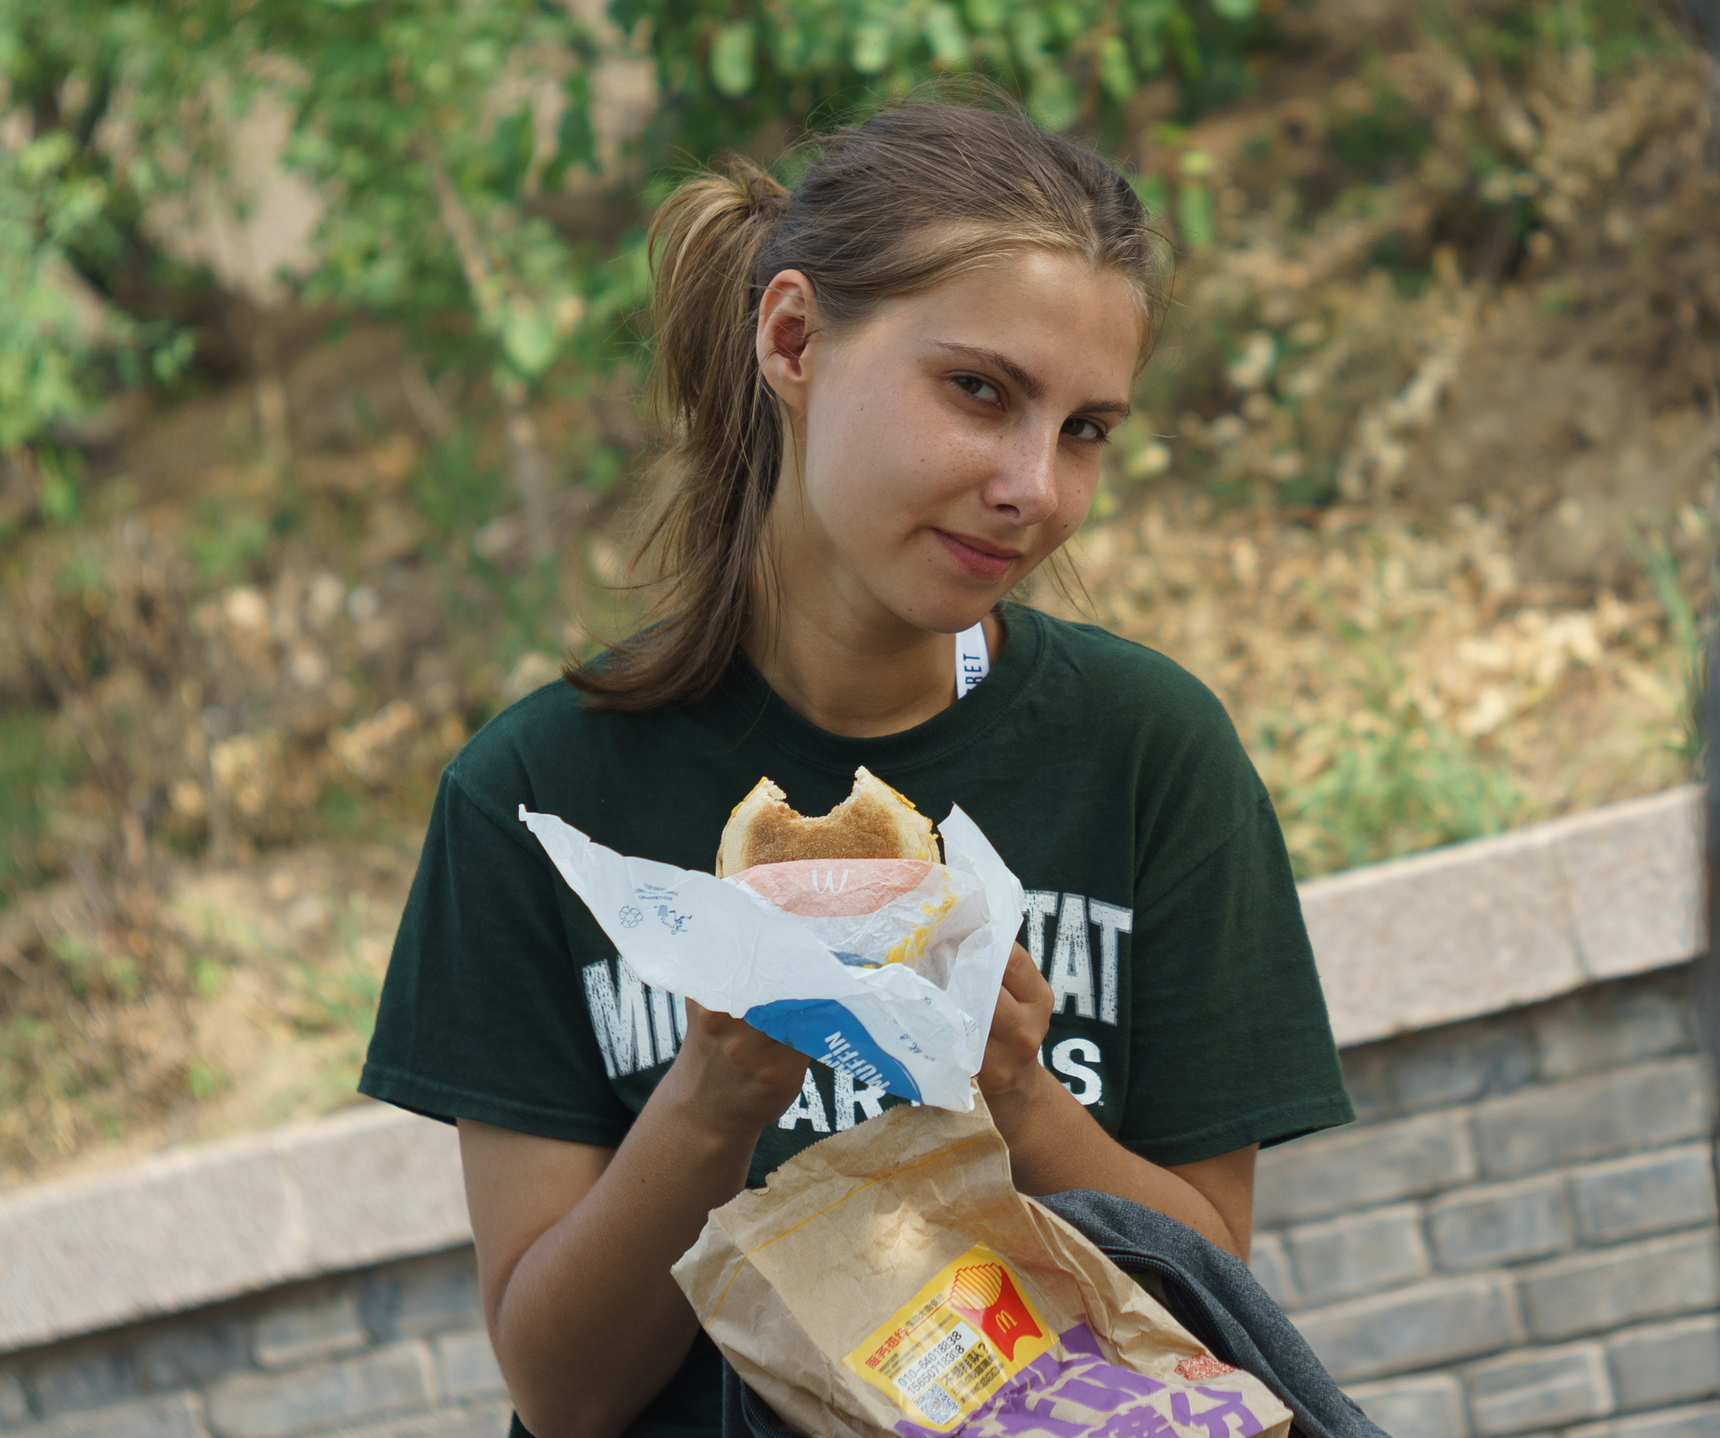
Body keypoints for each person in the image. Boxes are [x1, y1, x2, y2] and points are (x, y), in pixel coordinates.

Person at [360, 98, 1353, 1438]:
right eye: (982, 392)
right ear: (792, 339)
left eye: (1086, 431)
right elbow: (560, 1389)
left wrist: (1013, 1088)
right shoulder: (531, 800)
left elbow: (1210, 1294)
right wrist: (714, 1089)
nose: (1034, 487)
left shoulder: (1145, 751)